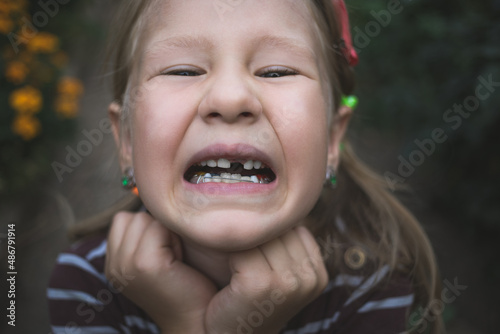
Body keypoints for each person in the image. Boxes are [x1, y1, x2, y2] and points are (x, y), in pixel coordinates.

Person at [47, 0, 443, 333]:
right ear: (127, 141)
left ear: (332, 139)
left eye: (276, 71)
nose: (231, 97)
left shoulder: (373, 285)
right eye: (183, 70)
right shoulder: (84, 286)